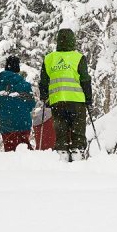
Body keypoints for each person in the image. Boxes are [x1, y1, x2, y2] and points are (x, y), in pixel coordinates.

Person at [39, 28, 92, 160]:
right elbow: (85, 80)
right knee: (78, 130)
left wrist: (44, 96)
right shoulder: (78, 58)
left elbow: (44, 82)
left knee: (60, 129)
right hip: (77, 101)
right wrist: (89, 99)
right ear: (73, 41)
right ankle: (77, 152)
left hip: (57, 101)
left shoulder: (49, 59)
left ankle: (62, 152)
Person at [0, 55, 36, 152]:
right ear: (17, 68)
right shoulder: (25, 85)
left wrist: (4, 109)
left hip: (6, 123)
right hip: (23, 122)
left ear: (6, 66)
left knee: (10, 152)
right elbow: (31, 105)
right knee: (25, 151)